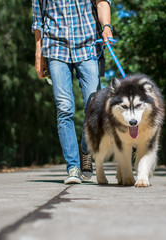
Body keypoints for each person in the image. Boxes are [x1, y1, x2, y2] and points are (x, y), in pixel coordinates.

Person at [31, 0, 113, 184]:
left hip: (88, 46)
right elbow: (38, 21)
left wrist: (106, 26)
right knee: (64, 108)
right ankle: (73, 167)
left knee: (94, 107)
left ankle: (86, 150)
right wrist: (39, 54)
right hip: (55, 48)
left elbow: (102, 3)